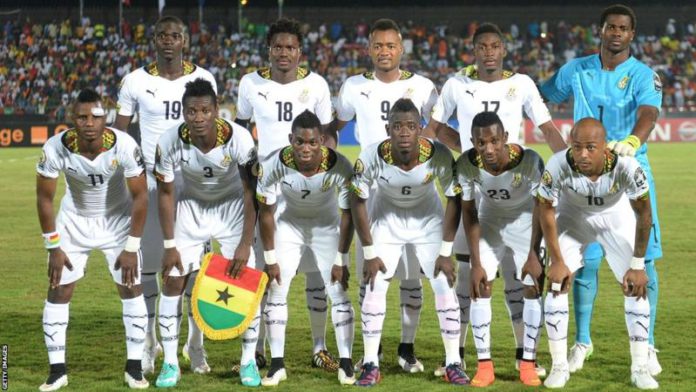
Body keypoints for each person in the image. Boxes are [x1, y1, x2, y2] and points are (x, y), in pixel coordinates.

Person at [423, 22, 565, 376]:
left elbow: (546, 128)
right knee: (468, 277)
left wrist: (568, 165)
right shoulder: (457, 83)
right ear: (474, 51)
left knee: (520, 283)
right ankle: (455, 357)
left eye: (494, 46)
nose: (488, 52)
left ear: (503, 50)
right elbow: (436, 126)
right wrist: (471, 149)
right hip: (474, 186)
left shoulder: (522, 83)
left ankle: (523, 355)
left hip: (516, 186)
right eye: (481, 46)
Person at [540, 4, 663, 376]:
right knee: (584, 262)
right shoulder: (576, 69)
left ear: (631, 35)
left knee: (645, 263)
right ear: (601, 30)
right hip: (581, 170)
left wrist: (631, 140)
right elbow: (539, 92)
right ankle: (582, 342)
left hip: (630, 167)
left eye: (623, 28)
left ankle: (649, 344)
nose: (616, 33)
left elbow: (649, 114)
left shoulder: (643, 74)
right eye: (610, 26)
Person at [331, 18, 439, 373]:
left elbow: (437, 132)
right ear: (369, 49)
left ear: (401, 49)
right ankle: (369, 352)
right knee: (372, 274)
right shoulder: (352, 87)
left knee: (412, 277)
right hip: (372, 192)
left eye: (391, 45)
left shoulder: (423, 87)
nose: (384, 51)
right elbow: (335, 129)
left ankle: (406, 348)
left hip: (416, 191)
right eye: (378, 45)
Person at [114, 15, 218, 375]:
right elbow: (121, 135)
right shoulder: (135, 81)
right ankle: (148, 343)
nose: (168, 41)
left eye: (175, 35)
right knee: (148, 268)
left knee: (192, 269)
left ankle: (195, 344)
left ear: (184, 41)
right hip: (152, 186)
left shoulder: (202, 78)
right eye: (162, 35)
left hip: (192, 190)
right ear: (154, 39)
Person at [235, 17, 337, 372]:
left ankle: (320, 347)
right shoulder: (250, 83)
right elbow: (242, 132)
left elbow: (329, 137)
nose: (284, 53)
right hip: (266, 191)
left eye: (290, 47)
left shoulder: (317, 85)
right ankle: (258, 350)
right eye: (277, 46)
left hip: (308, 192)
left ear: (299, 51)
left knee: (315, 273)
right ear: (269, 50)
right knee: (265, 271)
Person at [350, 98, 468, 386]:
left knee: (443, 283)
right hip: (386, 220)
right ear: (388, 129)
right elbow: (357, 200)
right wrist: (368, 252)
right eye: (398, 126)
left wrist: (445, 251)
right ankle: (369, 363)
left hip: (427, 221)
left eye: (411, 126)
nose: (405, 132)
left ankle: (453, 361)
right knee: (375, 285)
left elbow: (454, 198)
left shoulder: (437, 153)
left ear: (420, 129)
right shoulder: (371, 155)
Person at [36, 89, 149, 391]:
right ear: (72, 120)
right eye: (82, 117)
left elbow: (140, 197)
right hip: (74, 221)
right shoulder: (55, 147)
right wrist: (54, 246)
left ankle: (134, 368)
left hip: (117, 220)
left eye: (95, 116)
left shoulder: (123, 145)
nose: (89, 122)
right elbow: (45, 199)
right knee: (58, 290)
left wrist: (131, 246)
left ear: (106, 118)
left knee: (131, 285)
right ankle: (57, 371)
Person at [152, 78, 258, 387]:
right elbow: (166, 194)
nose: (198, 118)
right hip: (191, 208)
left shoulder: (238, 138)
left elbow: (252, 193)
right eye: (191, 111)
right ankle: (171, 363)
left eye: (205, 110)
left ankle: (248, 362)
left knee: (244, 283)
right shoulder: (170, 140)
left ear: (217, 111)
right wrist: (169, 244)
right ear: (183, 113)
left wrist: (244, 243)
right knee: (172, 281)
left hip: (231, 209)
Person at [537, 118, 656, 389]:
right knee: (556, 284)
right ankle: (559, 366)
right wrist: (556, 260)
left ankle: (639, 367)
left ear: (605, 148)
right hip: (571, 217)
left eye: (591, 147)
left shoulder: (627, 166)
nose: (582, 154)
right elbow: (544, 209)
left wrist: (637, 264)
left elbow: (644, 213)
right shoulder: (558, 164)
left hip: (615, 217)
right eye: (577, 147)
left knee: (636, 286)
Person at [256, 110, 356, 386]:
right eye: (299, 141)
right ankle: (277, 365)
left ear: (322, 141)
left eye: (312, 142)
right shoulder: (274, 162)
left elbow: (349, 214)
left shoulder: (340, 165)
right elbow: (266, 212)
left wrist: (342, 258)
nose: (305, 148)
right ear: (291, 139)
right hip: (288, 228)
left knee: (338, 291)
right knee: (277, 290)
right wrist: (270, 257)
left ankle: (346, 364)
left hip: (327, 228)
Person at [454, 112, 545, 387]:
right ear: (473, 142)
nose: (489, 149)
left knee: (531, 286)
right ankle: (485, 366)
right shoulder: (466, 164)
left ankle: (528, 363)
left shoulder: (530, 161)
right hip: (489, 220)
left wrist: (533, 253)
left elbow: (542, 207)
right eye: (481, 143)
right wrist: (476, 262)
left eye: (495, 141)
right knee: (480, 286)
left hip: (526, 221)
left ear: (505, 138)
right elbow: (469, 212)